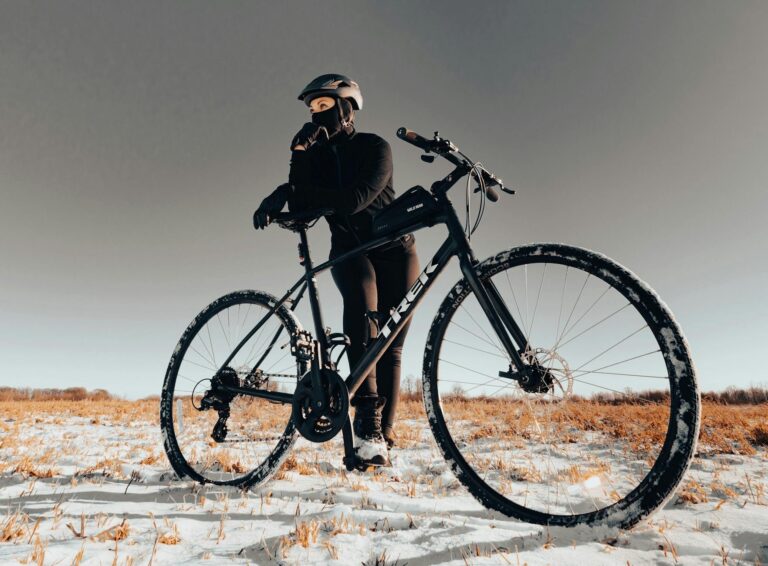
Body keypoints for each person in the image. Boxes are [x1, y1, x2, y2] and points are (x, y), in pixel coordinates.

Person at [253, 74, 420, 468]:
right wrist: (297, 155)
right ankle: (367, 429)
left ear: (346, 108)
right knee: (364, 320)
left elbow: (354, 200)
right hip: (350, 251)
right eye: (311, 110)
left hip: (396, 251)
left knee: (390, 346)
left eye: (324, 106)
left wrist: (298, 193)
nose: (316, 116)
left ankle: (385, 433)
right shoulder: (315, 157)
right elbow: (299, 197)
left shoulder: (375, 147)